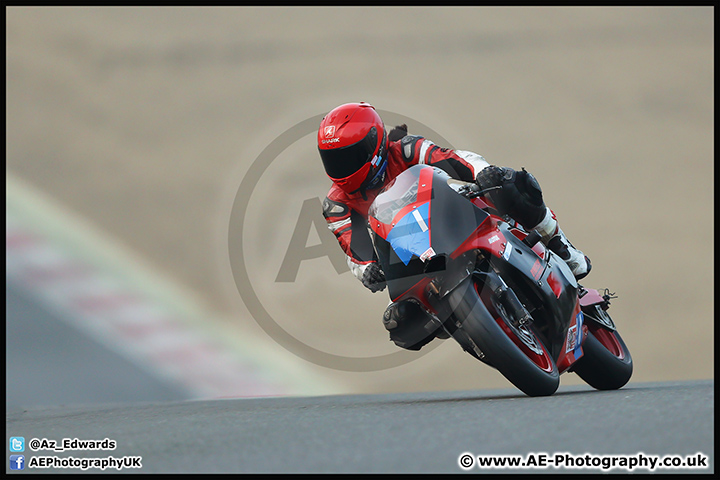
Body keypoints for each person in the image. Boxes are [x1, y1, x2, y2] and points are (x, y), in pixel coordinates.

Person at [318, 102, 591, 350]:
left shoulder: (405, 148)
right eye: (333, 160)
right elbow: (353, 249)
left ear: (374, 145)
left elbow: (453, 158)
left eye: (349, 158)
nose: (341, 168)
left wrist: (481, 171)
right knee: (400, 325)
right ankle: (475, 330)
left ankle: (560, 246)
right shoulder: (337, 205)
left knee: (513, 186)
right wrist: (367, 270)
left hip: (449, 217)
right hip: (410, 256)